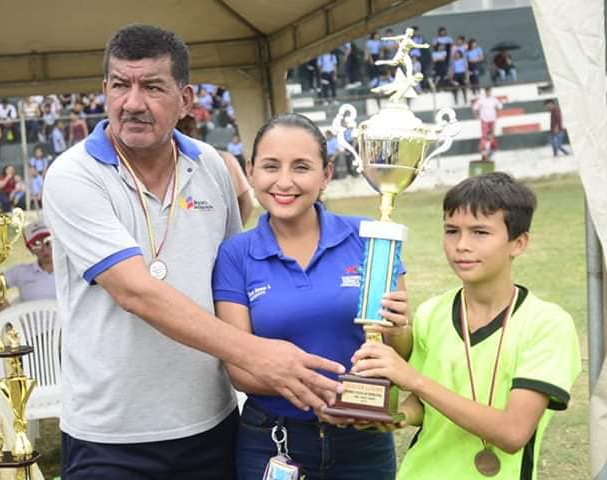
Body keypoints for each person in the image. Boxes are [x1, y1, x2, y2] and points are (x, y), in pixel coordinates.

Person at [42, 24, 344, 479]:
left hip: (210, 423)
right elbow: (135, 292)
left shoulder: (209, 166)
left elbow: (236, 281)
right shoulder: (74, 175)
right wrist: (257, 353)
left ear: (185, 99)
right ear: (104, 90)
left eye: (152, 87)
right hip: (111, 436)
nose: (133, 102)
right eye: (120, 85)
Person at [212, 113, 411, 480]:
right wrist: (329, 396)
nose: (284, 181)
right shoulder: (235, 254)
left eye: (301, 167)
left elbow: (401, 350)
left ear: (326, 174)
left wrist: (399, 328)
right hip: (273, 440)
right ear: (250, 171)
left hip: (362, 436)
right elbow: (240, 369)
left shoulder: (370, 238)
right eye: (271, 166)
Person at [352, 172, 581, 479]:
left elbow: (513, 433)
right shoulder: (432, 313)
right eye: (451, 231)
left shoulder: (548, 325)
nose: (461, 245)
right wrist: (397, 416)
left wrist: (414, 379)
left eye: (480, 232)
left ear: (518, 243)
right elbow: (426, 404)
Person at [175, 115, 253, 225]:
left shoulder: (223, 159)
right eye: (180, 129)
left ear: (198, 131)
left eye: (189, 128)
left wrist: (233, 233)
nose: (184, 133)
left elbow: (246, 202)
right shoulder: (165, 165)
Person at [3, 220, 55, 304]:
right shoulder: (20, 272)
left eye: (48, 243)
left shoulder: (70, 269)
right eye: (36, 244)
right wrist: (3, 306)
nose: (44, 249)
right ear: (30, 250)